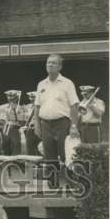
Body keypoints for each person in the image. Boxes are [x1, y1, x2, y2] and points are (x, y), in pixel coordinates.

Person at [33, 53, 80, 183]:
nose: (50, 65)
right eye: (48, 62)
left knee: (67, 154)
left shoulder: (67, 84)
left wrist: (74, 126)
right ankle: (53, 186)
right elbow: (37, 106)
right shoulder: (41, 84)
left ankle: (72, 185)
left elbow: (74, 106)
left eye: (54, 63)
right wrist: (37, 124)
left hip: (62, 123)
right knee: (49, 157)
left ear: (60, 66)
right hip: (45, 124)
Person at [0, 90, 25, 156]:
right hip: (5, 130)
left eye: (13, 98)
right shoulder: (2, 107)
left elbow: (23, 122)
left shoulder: (21, 108)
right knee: (5, 149)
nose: (11, 100)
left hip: (16, 130)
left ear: (17, 98)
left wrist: (16, 113)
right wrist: (5, 122)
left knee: (16, 149)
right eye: (9, 98)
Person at [23, 91, 40, 156]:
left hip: (38, 129)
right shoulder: (27, 107)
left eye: (33, 97)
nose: (31, 99)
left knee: (39, 149)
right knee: (30, 149)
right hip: (29, 130)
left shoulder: (41, 106)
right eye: (30, 97)